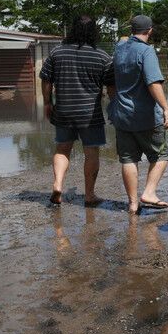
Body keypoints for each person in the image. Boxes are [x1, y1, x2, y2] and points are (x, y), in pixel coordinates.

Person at [39, 15, 115, 206]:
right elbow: (111, 87)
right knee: (91, 152)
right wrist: (115, 106)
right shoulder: (102, 56)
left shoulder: (57, 53)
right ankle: (89, 195)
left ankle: (57, 185)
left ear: (72, 30)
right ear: (94, 32)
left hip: (63, 110)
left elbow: (46, 79)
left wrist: (47, 103)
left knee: (63, 149)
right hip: (90, 114)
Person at [109, 15, 168, 214]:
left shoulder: (119, 49)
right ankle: (149, 192)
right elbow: (153, 82)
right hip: (146, 116)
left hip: (122, 115)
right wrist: (166, 108)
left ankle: (132, 203)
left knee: (128, 159)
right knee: (163, 153)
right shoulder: (146, 52)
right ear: (150, 31)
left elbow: (111, 80)